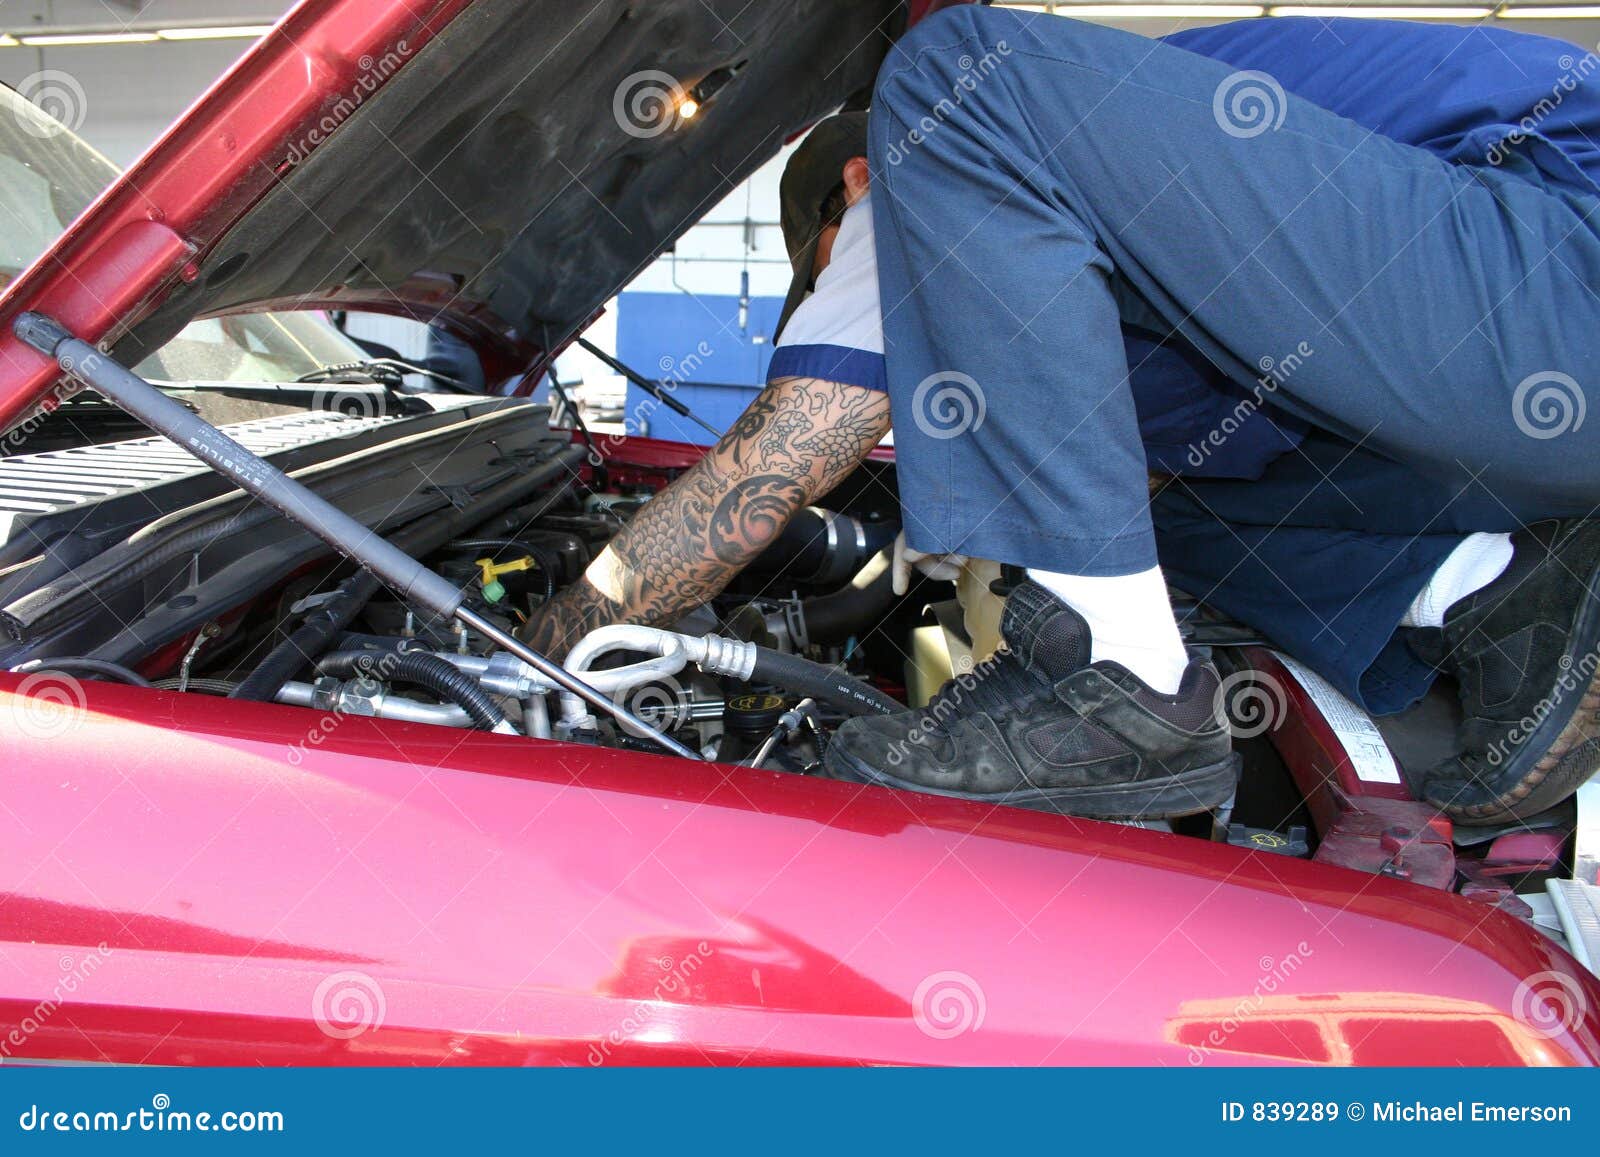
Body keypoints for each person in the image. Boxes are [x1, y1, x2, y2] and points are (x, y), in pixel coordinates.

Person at [522, 8, 1600, 826]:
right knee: (1169, 512)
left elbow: (781, 458)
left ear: (848, 193)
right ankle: (1487, 585)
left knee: (953, 68)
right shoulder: (1147, 203)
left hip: (1561, 254)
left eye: (820, 282)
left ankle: (1120, 685)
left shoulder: (918, 157)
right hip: (1523, 375)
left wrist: (541, 650)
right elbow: (1101, 483)